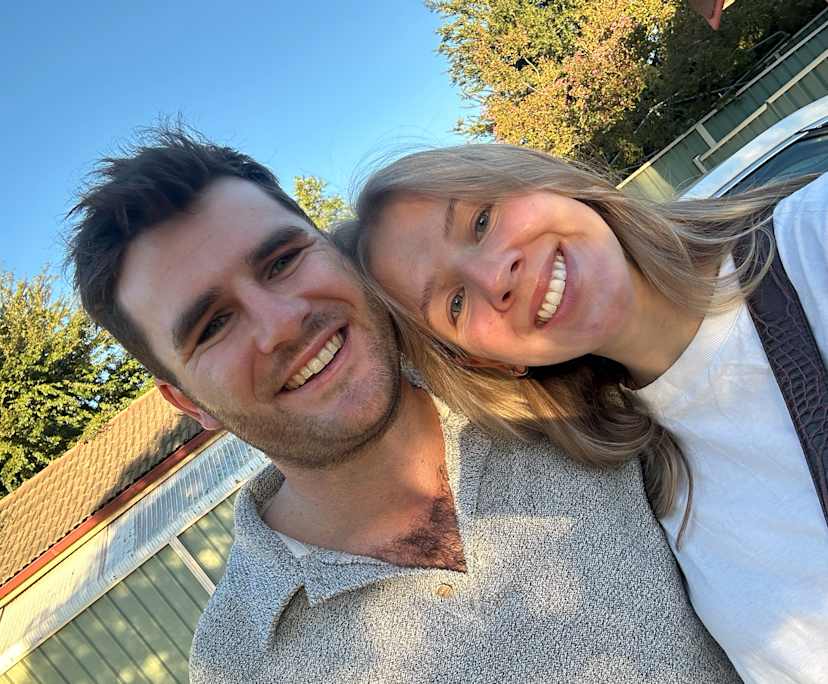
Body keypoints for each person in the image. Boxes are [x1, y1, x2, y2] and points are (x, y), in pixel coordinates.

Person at [65, 130, 739, 683]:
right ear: (188, 402)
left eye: (282, 261)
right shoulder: (243, 663)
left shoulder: (536, 364)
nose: (282, 324)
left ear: (332, 252)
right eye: (213, 325)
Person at [336, 143, 828, 683]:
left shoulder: (814, 237)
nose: (495, 276)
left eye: (481, 220)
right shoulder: (640, 494)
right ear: (487, 361)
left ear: (545, 181)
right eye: (455, 303)